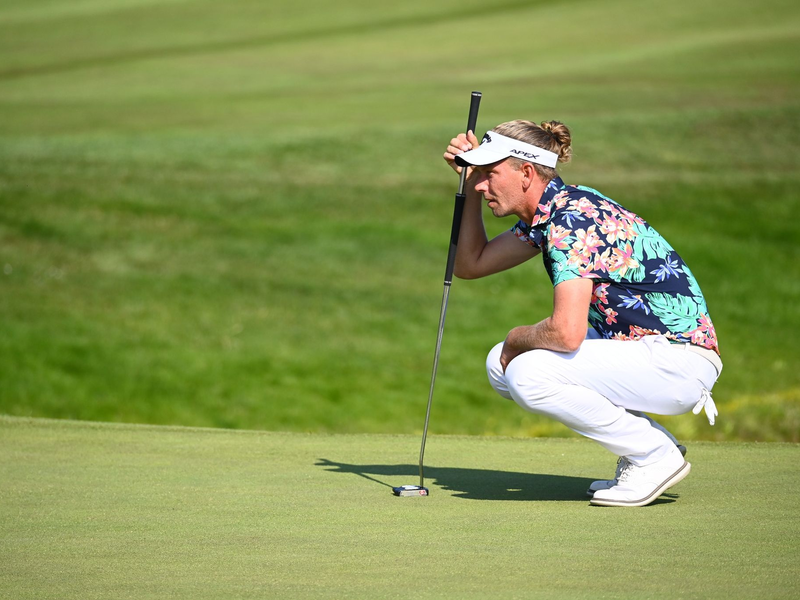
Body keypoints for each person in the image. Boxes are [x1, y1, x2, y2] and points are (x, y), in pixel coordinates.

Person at [442, 120, 722, 507]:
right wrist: (470, 185)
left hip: (677, 361)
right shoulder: (555, 210)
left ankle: (654, 456)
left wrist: (515, 338)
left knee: (526, 370)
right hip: (648, 350)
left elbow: (566, 333)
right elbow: (471, 264)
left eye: (490, 174)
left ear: (526, 173)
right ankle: (651, 444)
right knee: (500, 365)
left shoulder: (571, 219)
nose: (481, 184)